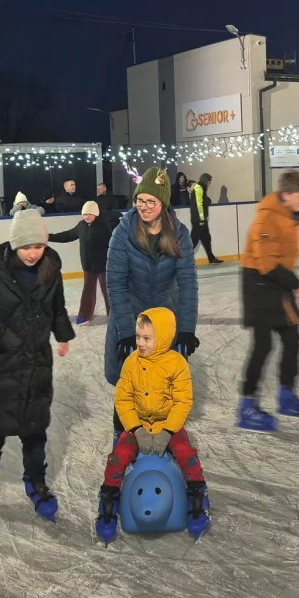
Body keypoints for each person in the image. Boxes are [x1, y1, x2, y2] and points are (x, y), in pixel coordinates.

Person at [0, 208, 75, 520]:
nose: (33, 253)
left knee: (35, 431)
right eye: (26, 247)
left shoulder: (51, 270)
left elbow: (57, 306)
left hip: (37, 364)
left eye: (38, 246)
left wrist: (62, 334)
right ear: (14, 246)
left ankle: (36, 483)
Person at [95, 307, 209, 545]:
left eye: (147, 338)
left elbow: (182, 401)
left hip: (169, 424)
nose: (140, 343)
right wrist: (135, 429)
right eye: (138, 337)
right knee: (118, 456)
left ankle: (198, 493)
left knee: (186, 453)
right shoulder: (131, 363)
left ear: (164, 336)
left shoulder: (176, 363)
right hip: (138, 424)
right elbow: (123, 399)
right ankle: (109, 499)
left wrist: (168, 431)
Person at [104, 167, 199, 438]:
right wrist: (125, 333)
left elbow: (188, 283)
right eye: (139, 200)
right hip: (131, 317)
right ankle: (120, 445)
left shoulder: (179, 234)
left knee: (166, 389)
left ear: (163, 204)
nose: (144, 207)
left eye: (151, 201)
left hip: (166, 319)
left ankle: (164, 448)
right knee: (129, 386)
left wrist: (186, 328)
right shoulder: (122, 234)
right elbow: (116, 284)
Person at [236, 171, 299, 432]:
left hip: (276, 283)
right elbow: (267, 263)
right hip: (260, 284)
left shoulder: (288, 215)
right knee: (263, 345)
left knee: (292, 339)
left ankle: (286, 397)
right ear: (285, 195)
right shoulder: (267, 218)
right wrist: (296, 284)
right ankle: (246, 406)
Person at [48, 200, 121, 324]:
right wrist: (49, 237)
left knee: (107, 290)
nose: (86, 216)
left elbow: (114, 244)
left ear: (96, 214)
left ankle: (114, 314)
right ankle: (84, 314)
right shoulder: (81, 225)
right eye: (84, 214)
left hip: (104, 265)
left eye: (89, 214)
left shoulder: (104, 227)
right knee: (88, 289)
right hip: (88, 265)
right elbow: (68, 235)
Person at [188, 172, 222, 264]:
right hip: (199, 220)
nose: (210, 184)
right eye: (209, 182)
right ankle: (183, 260)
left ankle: (211, 258)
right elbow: (199, 204)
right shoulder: (199, 188)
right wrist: (202, 219)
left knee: (206, 239)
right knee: (193, 241)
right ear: (206, 181)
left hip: (199, 219)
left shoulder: (200, 188)